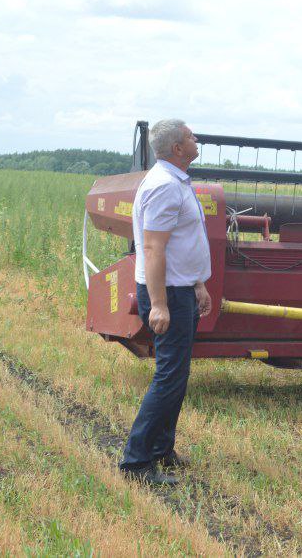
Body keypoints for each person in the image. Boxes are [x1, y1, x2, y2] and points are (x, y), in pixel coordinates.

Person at [119, 118, 212, 486]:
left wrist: (198, 285)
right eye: (191, 135)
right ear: (177, 148)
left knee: (177, 374)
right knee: (169, 376)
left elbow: (183, 243)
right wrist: (159, 304)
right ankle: (136, 462)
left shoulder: (176, 182)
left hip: (180, 289)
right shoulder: (163, 187)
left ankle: (161, 450)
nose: (196, 138)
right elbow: (155, 247)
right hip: (167, 293)